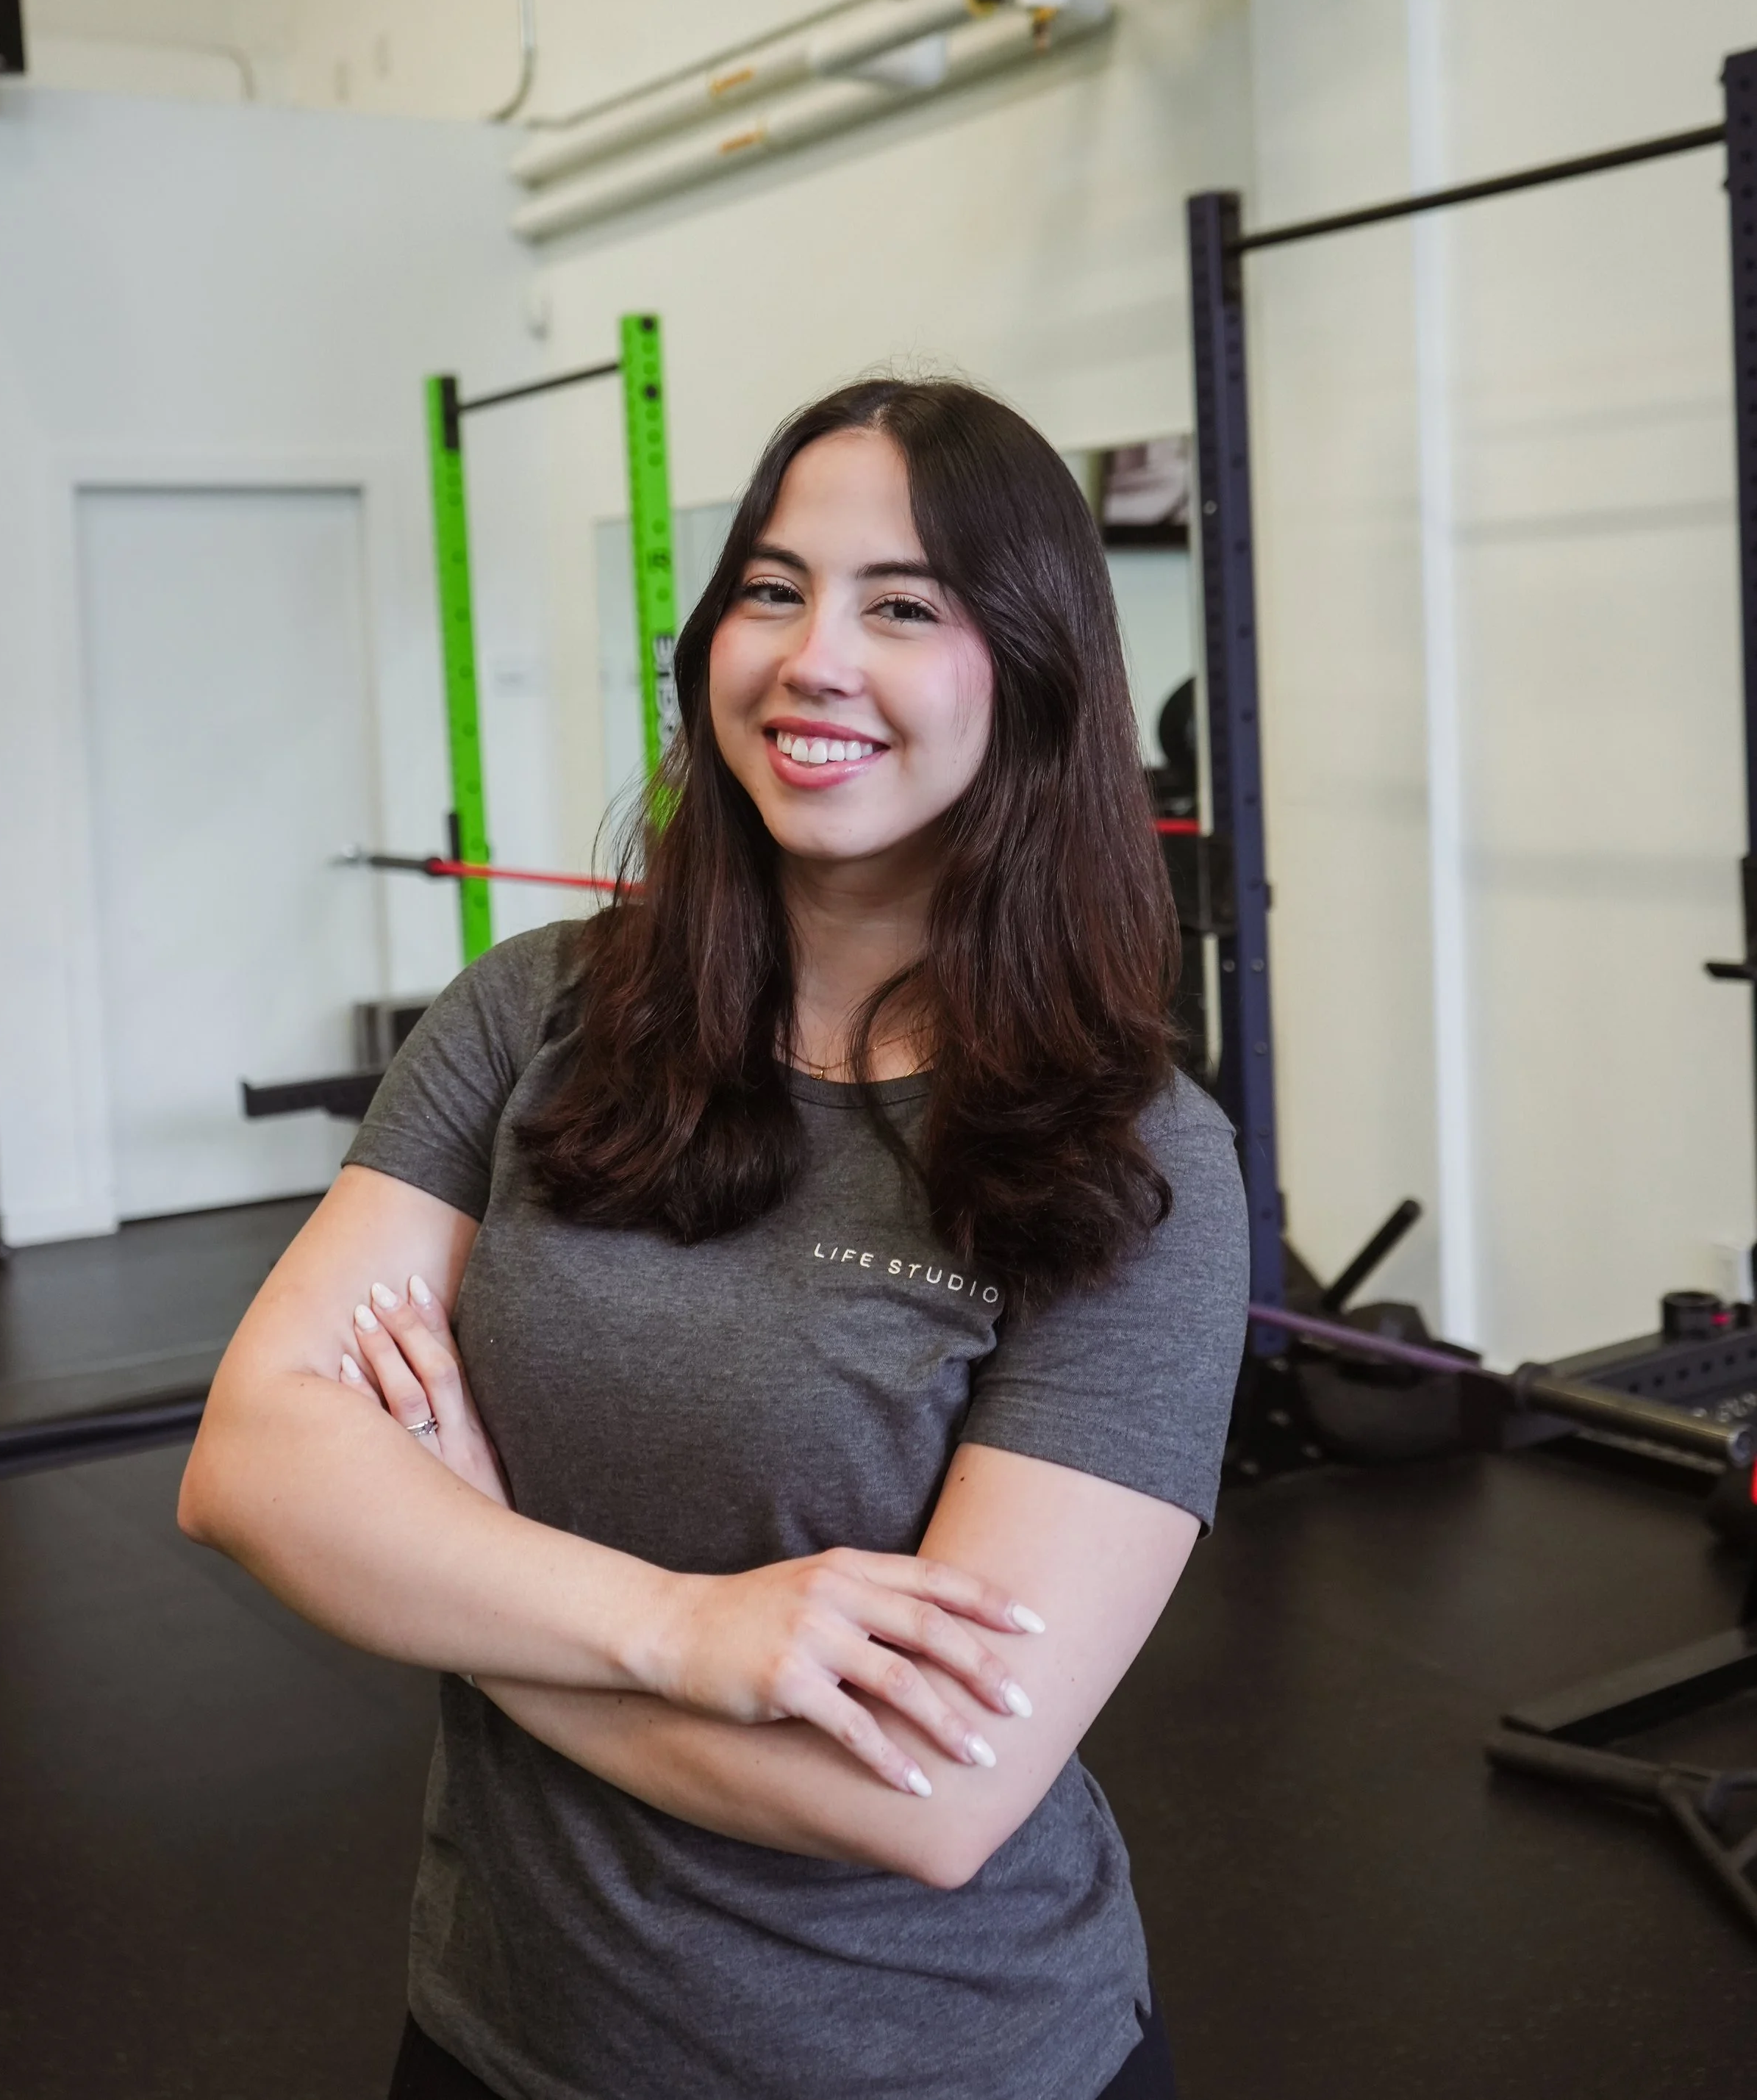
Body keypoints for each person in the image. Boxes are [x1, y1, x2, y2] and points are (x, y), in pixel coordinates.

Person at [179, 376, 1248, 2100]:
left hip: (933, 2062)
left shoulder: (1135, 1168)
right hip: (496, 2036)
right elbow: (248, 1461)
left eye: (900, 605)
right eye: (770, 587)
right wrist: (683, 1634)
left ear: (1031, 674)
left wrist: (452, 1561)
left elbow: (931, 1794)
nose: (811, 655)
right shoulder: (535, 1014)